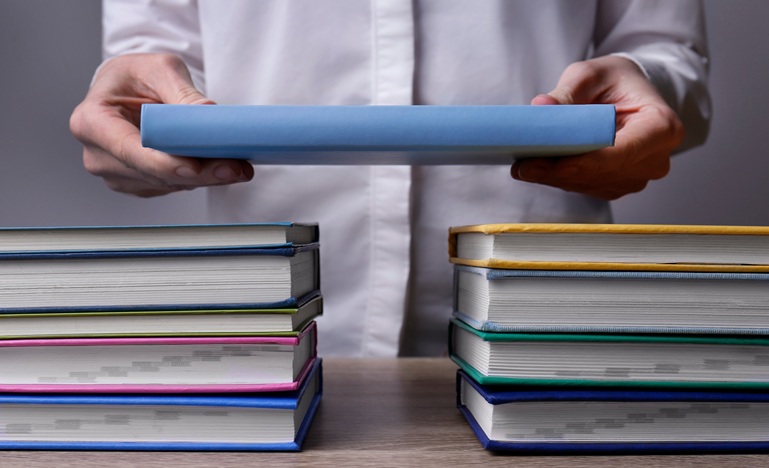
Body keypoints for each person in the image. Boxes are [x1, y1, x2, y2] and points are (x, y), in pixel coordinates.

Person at [70, 1, 711, 357]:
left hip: (539, 325)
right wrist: (136, 125)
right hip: (272, 334)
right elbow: (147, 64)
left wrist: (648, 93)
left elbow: (664, 51)